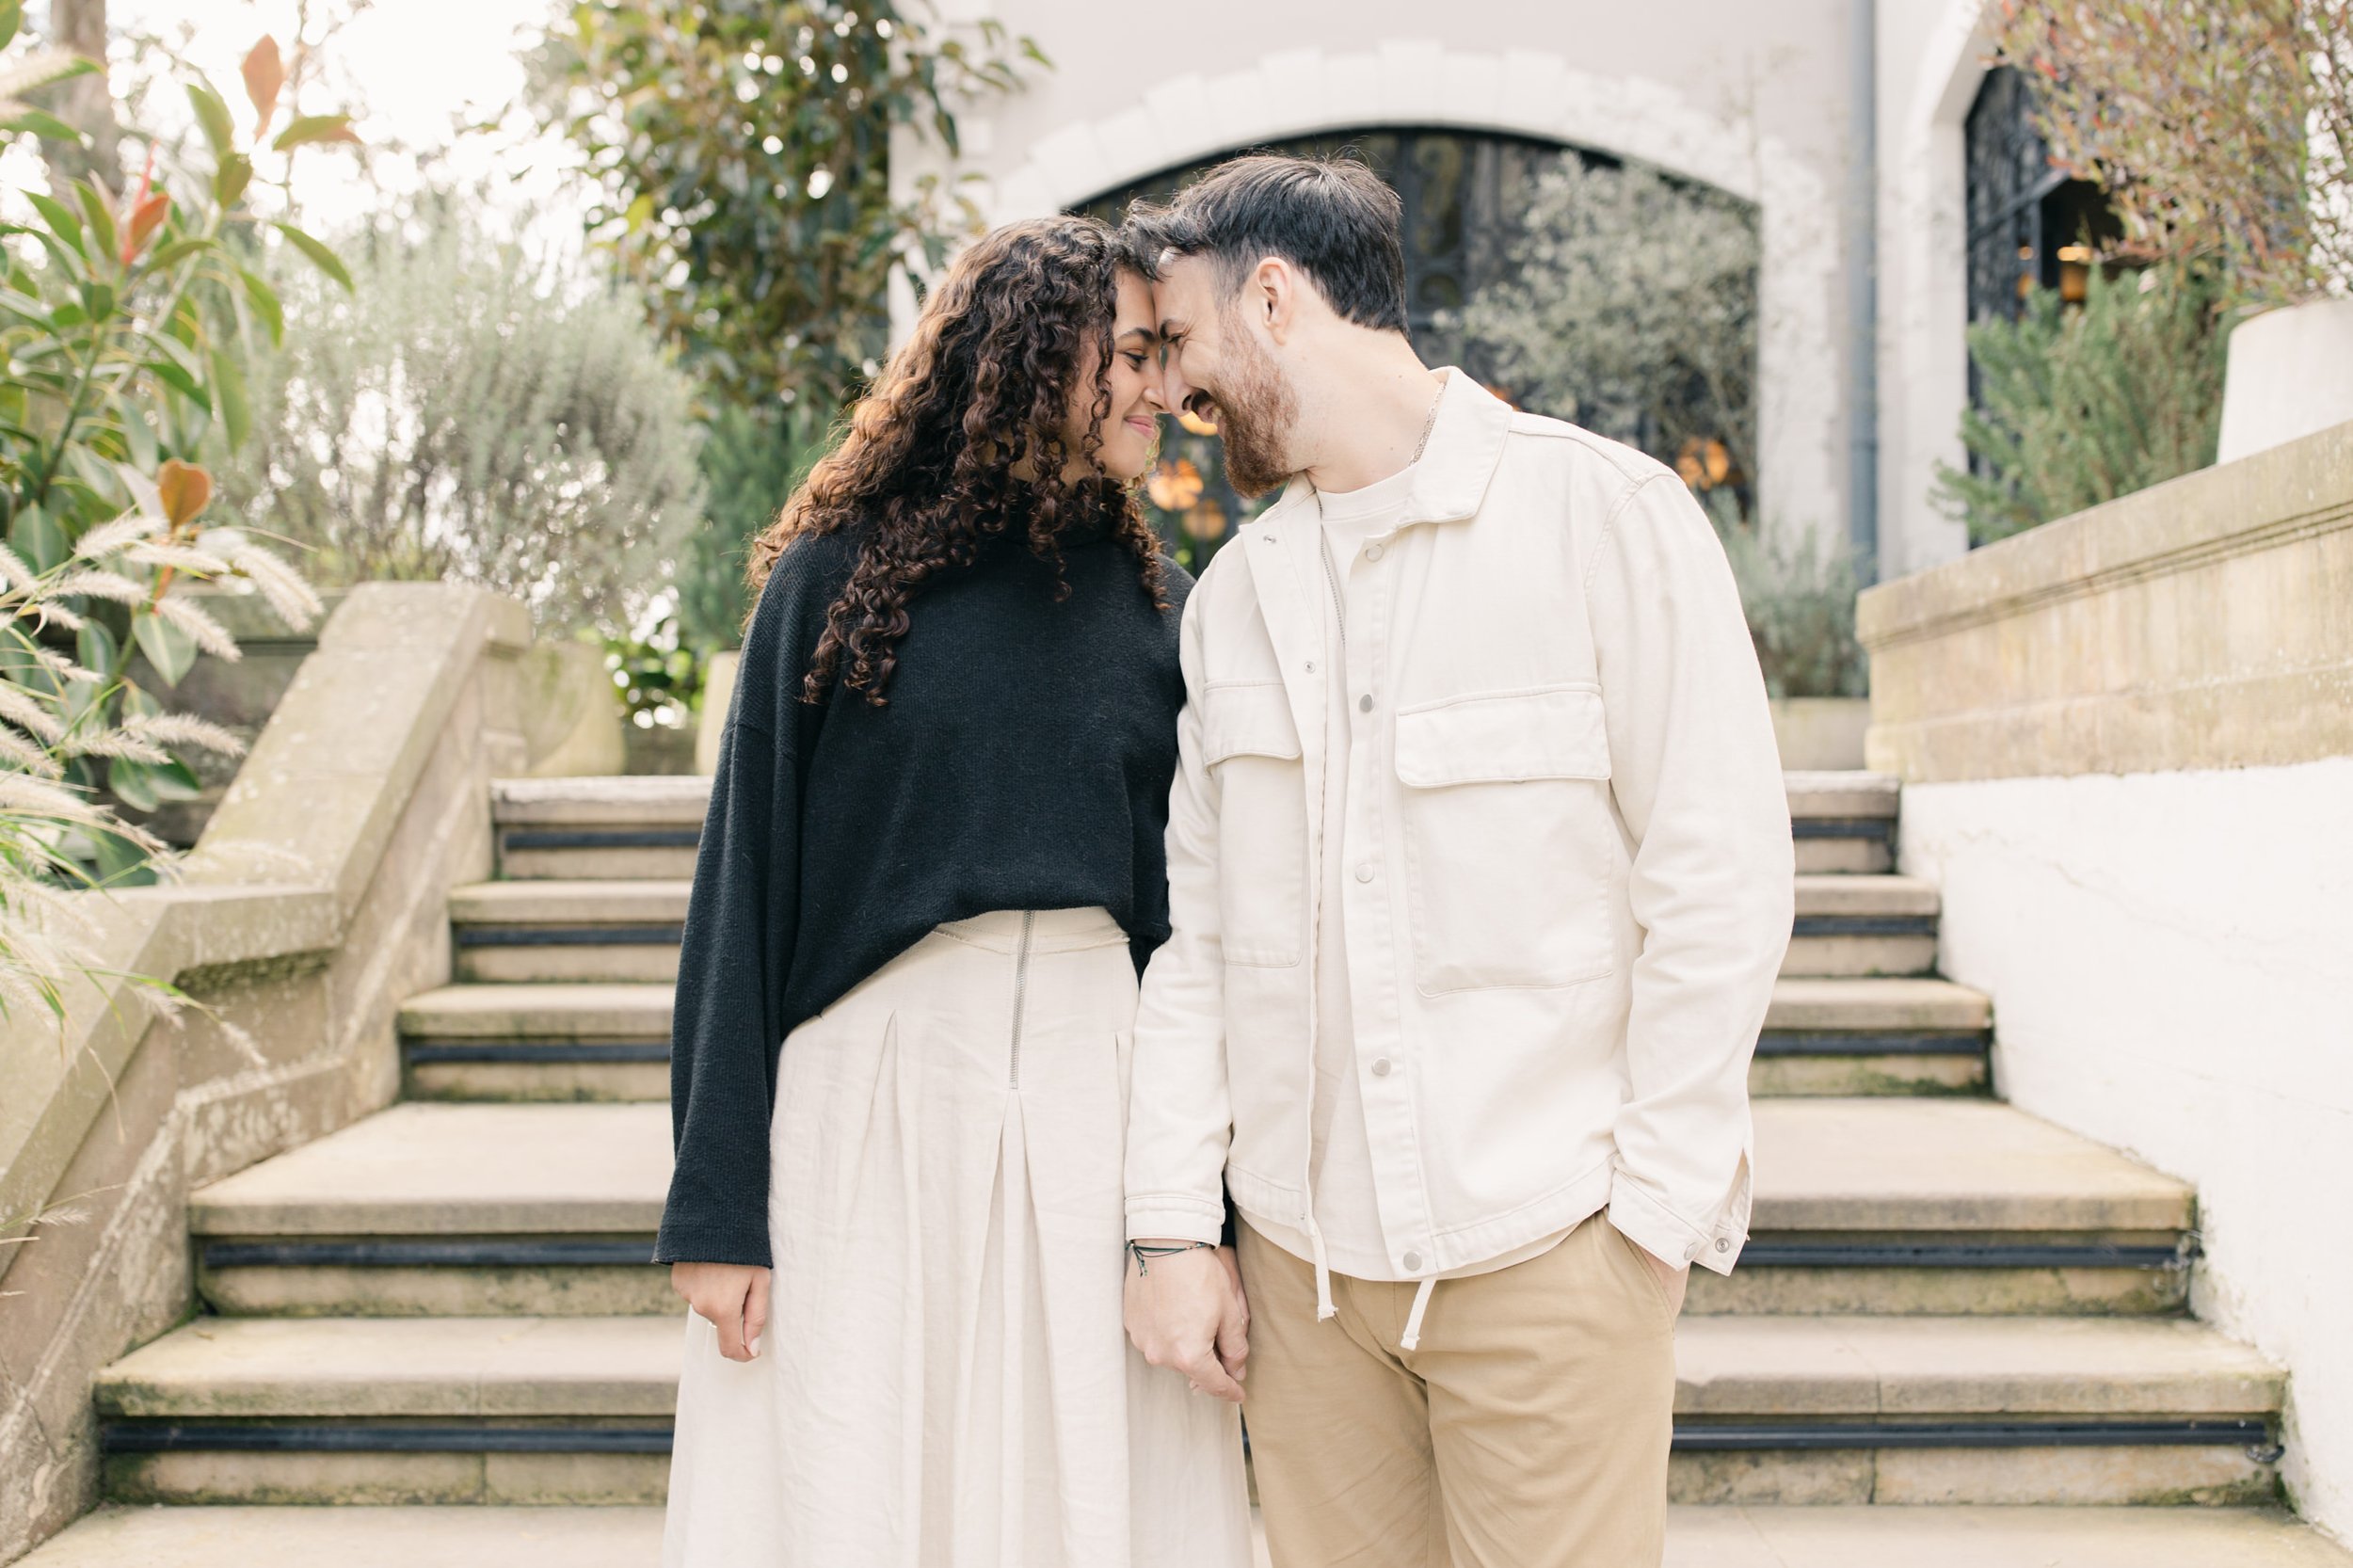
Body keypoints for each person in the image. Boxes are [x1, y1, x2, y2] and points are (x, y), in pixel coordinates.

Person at [1119, 154, 1796, 1568]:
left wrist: (1648, 1223)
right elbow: (1203, 944)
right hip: (1302, 1284)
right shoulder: (1235, 598)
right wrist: (1176, 1224)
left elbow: (1719, 879)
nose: (1174, 389)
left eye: (1179, 339)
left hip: (1550, 1250)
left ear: (1276, 296)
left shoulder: (1606, 517)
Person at [656, 215, 1254, 1568]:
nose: (1168, 390)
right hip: (870, 1102)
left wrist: (1194, 1212)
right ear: (1039, 355)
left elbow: (1191, 927)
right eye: (1140, 352)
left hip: (1099, 1096)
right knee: (856, 1480)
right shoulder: (832, 581)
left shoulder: (1165, 603)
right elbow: (739, 900)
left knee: (1090, 1495)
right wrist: (716, 1204)